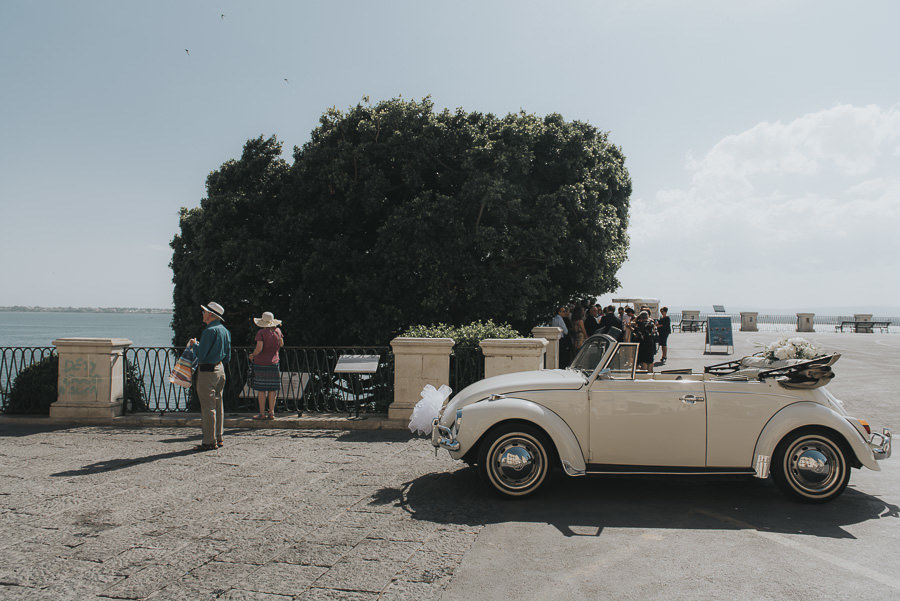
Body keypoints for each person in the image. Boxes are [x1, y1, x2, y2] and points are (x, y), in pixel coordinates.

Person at [189, 301, 231, 451]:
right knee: (218, 405)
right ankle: (219, 437)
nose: (203, 314)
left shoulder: (209, 331)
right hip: (220, 369)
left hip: (207, 371)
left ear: (210, 315)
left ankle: (208, 441)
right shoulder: (224, 331)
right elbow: (228, 355)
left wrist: (195, 344)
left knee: (208, 407)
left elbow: (201, 354)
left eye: (204, 311)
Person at [249, 311, 284, 420]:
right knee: (272, 389)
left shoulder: (261, 333)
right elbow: (281, 344)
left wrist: (252, 355)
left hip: (261, 363)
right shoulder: (278, 331)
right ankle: (272, 412)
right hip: (274, 362)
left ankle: (262, 413)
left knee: (261, 389)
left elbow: (259, 348)